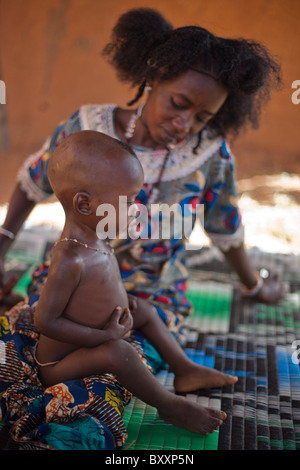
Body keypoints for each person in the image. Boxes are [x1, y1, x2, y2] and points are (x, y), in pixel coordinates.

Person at [0, 9, 284, 359]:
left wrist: (253, 285)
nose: (184, 123)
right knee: (30, 347)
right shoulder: (89, 127)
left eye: (203, 117)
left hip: (152, 296)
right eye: (178, 104)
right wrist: (1, 249)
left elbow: (226, 226)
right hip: (73, 280)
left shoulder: (209, 153)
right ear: (153, 79)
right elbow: (33, 181)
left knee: (119, 360)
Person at [34, 129, 233, 435]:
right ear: (85, 205)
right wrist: (101, 337)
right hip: (60, 363)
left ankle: (185, 369)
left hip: (100, 328)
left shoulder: (97, 236)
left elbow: (99, 286)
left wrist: (120, 303)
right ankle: (170, 407)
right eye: (128, 201)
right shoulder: (69, 258)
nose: (136, 208)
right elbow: (45, 321)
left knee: (146, 310)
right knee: (120, 352)